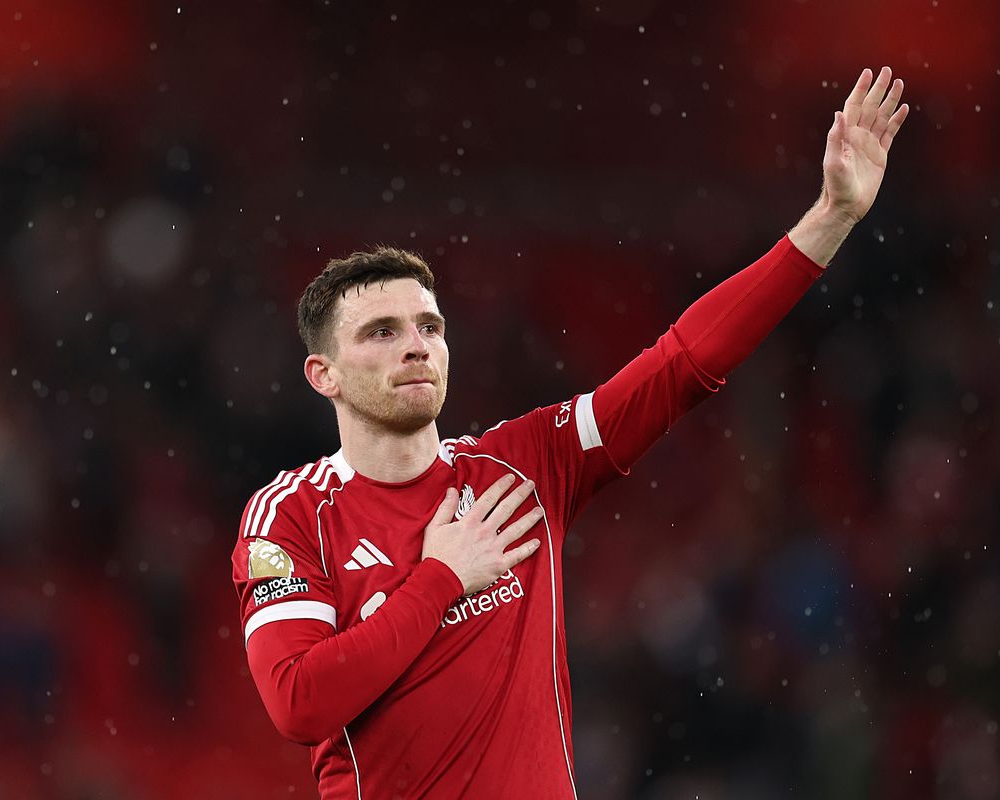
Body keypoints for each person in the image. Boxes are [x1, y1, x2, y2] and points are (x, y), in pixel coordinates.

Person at [231, 67, 908, 798]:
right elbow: (298, 702)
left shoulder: (523, 465)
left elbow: (682, 364)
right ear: (323, 375)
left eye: (429, 326)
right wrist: (440, 579)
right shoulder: (292, 514)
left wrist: (831, 217)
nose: (418, 346)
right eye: (383, 331)